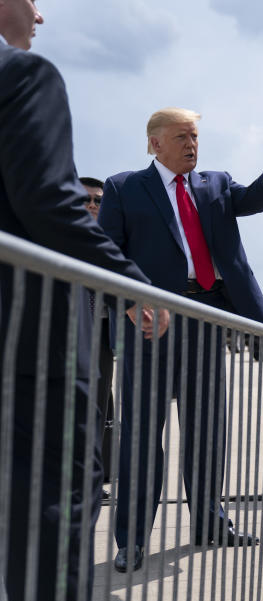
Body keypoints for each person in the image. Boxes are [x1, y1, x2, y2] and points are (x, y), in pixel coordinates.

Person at [0, 3, 157, 601]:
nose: (40, 13)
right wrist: (134, 285)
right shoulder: (24, 77)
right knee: (54, 502)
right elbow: (49, 201)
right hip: (29, 342)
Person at [99, 107, 263, 572]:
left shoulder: (215, 183)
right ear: (155, 144)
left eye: (196, 137)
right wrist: (129, 305)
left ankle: (210, 524)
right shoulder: (124, 187)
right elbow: (107, 253)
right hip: (149, 324)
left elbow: (248, 200)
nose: (192, 145)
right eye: (182, 137)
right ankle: (132, 540)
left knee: (208, 431)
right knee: (143, 435)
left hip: (206, 320)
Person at [80, 176, 115, 497]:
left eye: (98, 200)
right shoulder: (56, 234)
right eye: (85, 199)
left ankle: (91, 477)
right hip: (65, 331)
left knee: (99, 407)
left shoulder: (111, 240)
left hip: (102, 331)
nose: (92, 205)